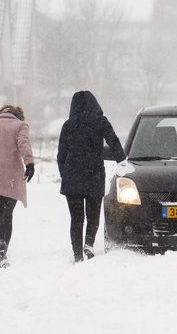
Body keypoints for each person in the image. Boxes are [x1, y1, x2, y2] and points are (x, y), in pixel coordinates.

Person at [57, 91, 126, 263]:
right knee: (93, 215)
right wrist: (121, 159)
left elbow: (61, 154)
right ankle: (88, 244)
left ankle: (77, 253)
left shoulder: (68, 125)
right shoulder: (100, 121)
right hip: (94, 174)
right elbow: (113, 141)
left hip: (73, 176)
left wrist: (64, 173)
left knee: (76, 217)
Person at [0, 105, 35, 268]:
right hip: (11, 178)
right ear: (19, 116)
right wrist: (29, 163)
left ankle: (0, 250)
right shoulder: (20, 125)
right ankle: (3, 253)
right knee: (7, 216)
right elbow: (24, 144)